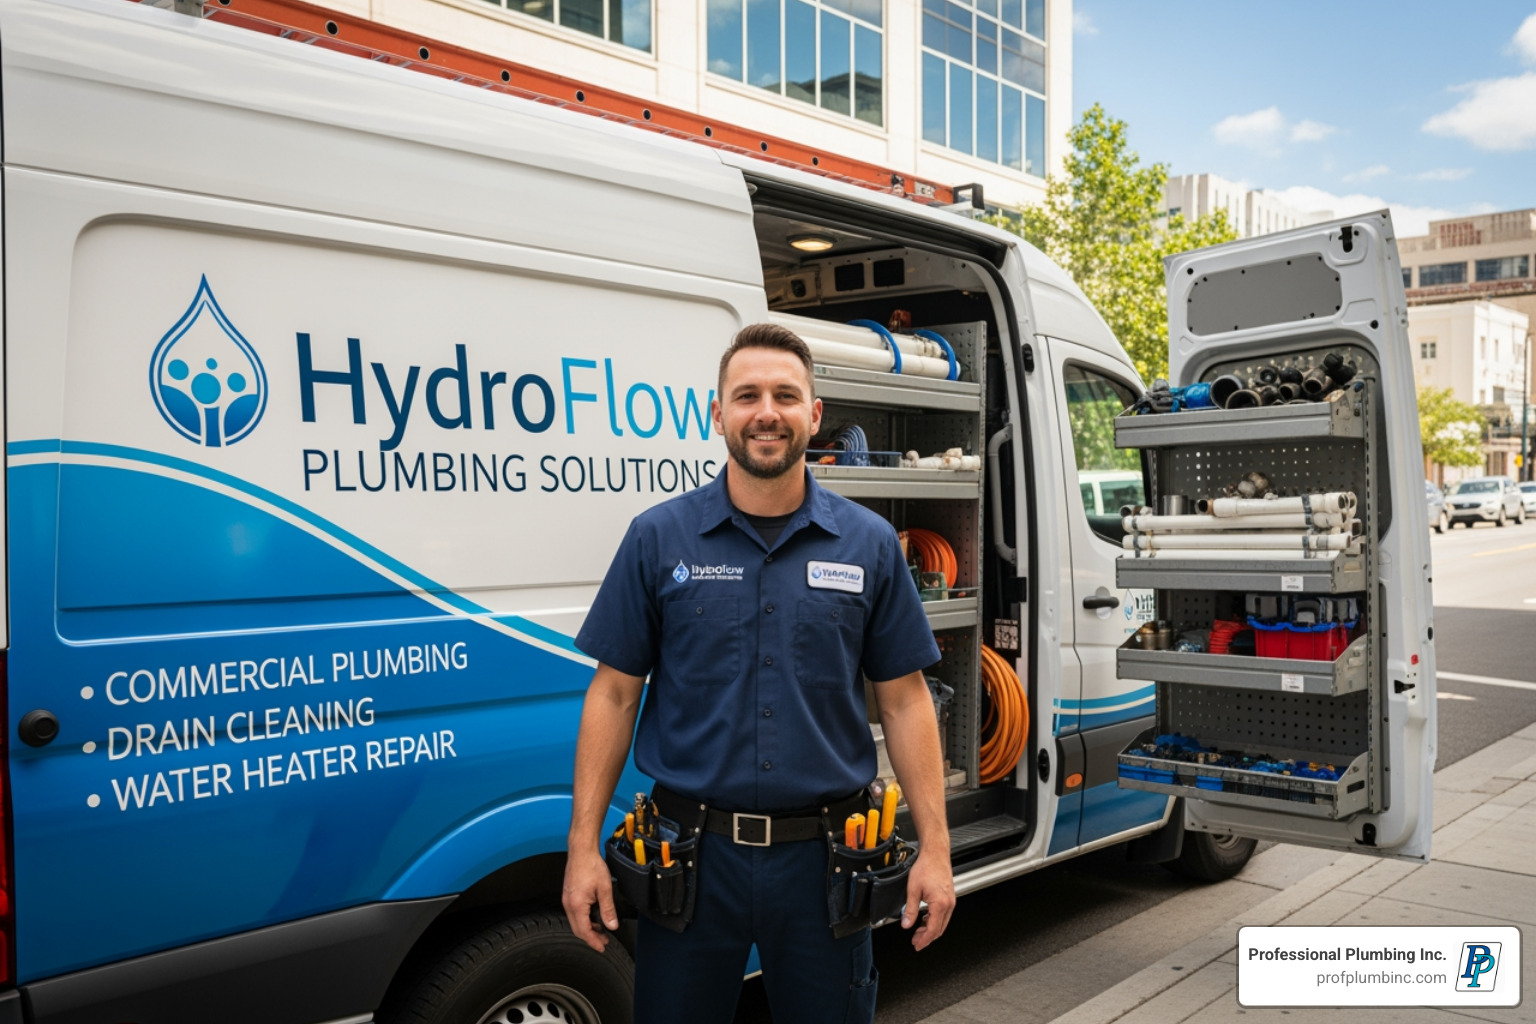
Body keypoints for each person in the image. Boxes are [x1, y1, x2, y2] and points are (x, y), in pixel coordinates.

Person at [561, 322, 955, 1023]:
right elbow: (615, 695)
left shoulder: (867, 544)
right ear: (717, 415)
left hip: (826, 866)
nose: (766, 411)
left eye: (784, 395)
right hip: (686, 861)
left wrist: (937, 850)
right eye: (746, 395)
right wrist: (582, 849)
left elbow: (904, 701)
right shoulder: (658, 538)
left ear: (814, 414)